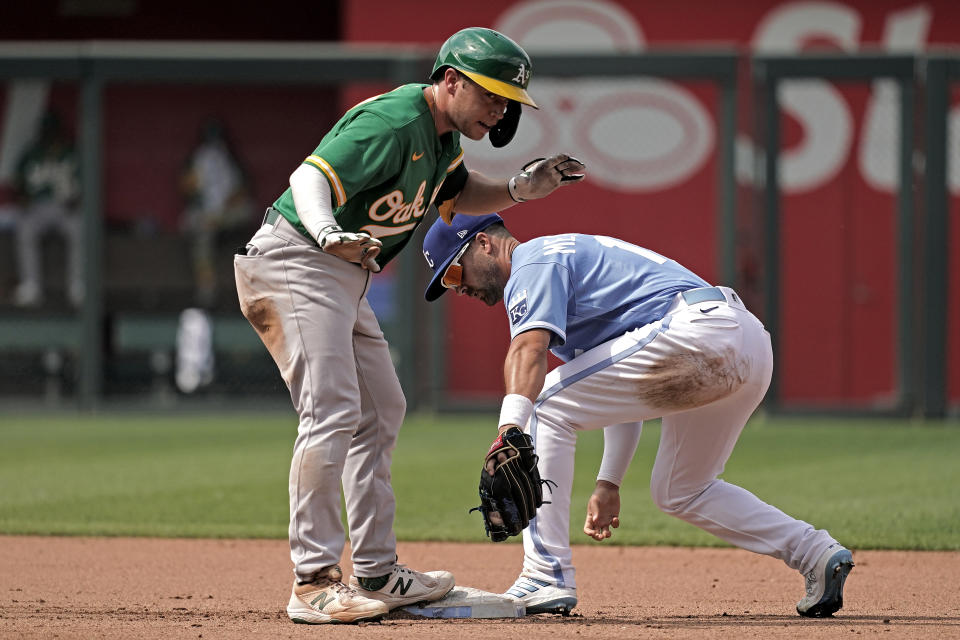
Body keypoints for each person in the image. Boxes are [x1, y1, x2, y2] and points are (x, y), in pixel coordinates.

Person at [233, 27, 586, 625]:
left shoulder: (442, 138)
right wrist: (324, 229)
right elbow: (309, 178)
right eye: (492, 95)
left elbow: (454, 191)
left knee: (381, 408)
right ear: (450, 80)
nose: (500, 109)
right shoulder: (397, 121)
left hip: (342, 273)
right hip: (297, 257)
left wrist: (518, 190)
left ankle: (377, 570)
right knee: (333, 408)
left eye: (507, 102)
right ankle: (313, 581)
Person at [421, 213, 854, 619]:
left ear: (483, 243)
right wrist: (609, 482)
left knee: (545, 404)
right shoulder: (560, 268)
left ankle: (543, 575)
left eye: (455, 273)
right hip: (745, 344)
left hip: (697, 331)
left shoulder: (535, 260)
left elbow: (527, 350)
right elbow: (618, 396)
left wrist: (509, 428)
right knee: (682, 489)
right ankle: (814, 552)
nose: (457, 289)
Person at [10, 111, 83, 308]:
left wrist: (78, 198)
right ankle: (31, 286)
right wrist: (23, 200)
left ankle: (78, 285)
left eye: (52, 131)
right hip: (38, 207)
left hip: (65, 207)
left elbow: (86, 184)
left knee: (80, 229)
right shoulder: (31, 153)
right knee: (24, 228)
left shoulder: (71, 153)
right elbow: (18, 185)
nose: (48, 135)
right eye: (45, 131)